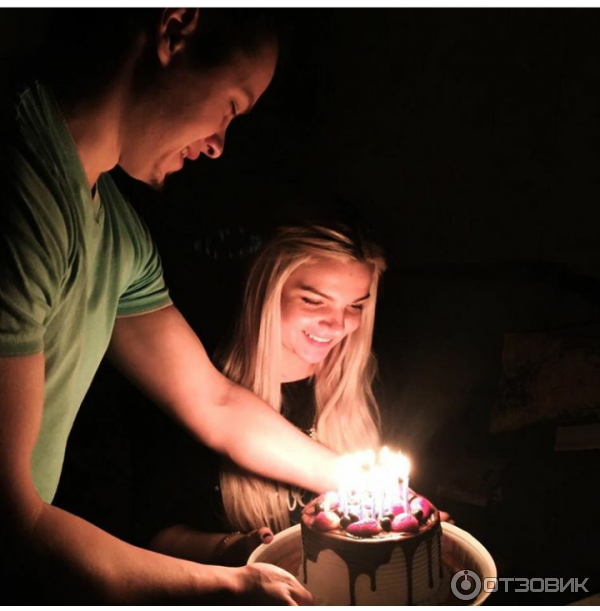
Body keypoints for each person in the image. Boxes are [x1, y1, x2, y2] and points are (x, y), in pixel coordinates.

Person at [0, 9, 340, 604]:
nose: (217, 147)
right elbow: (13, 521)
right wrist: (231, 584)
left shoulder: (116, 231)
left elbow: (213, 400)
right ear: (174, 30)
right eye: (231, 106)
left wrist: (360, 484)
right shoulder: (24, 196)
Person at [146, 221, 387, 566]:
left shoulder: (365, 382)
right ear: (268, 291)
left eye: (355, 306)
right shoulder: (194, 383)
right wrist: (236, 550)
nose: (337, 324)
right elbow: (152, 536)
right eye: (314, 301)